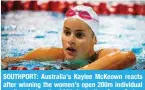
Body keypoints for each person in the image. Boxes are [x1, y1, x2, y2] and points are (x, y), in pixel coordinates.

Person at [1, 5, 136, 70]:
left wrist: (79, 75)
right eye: (67, 33)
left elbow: (128, 57)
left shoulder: (100, 56)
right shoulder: (52, 54)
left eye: (79, 35)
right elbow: (11, 60)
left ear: (94, 39)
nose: (70, 40)